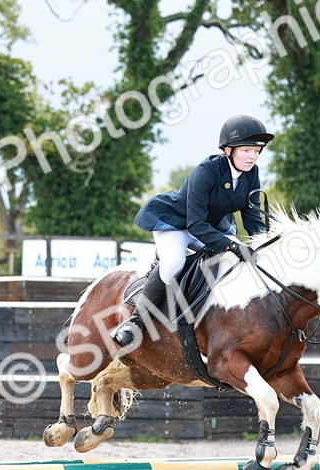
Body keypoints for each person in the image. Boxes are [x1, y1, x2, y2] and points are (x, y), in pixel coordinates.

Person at [111, 114, 273, 348]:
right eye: (246, 150)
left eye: (257, 151)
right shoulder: (206, 171)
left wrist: (263, 242)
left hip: (210, 228)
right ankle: (136, 321)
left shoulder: (252, 173)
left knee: (234, 263)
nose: (252, 157)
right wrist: (231, 245)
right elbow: (195, 224)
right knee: (173, 264)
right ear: (228, 150)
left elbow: (251, 215)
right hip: (177, 223)